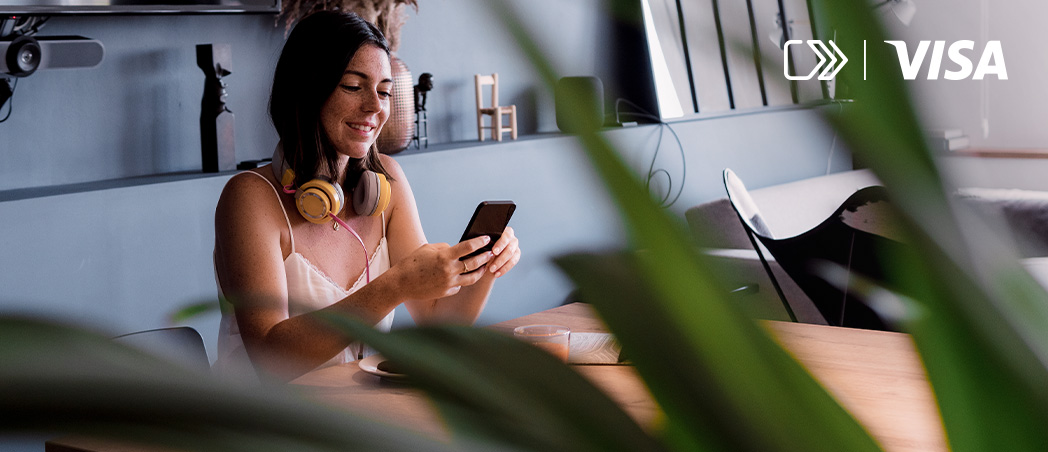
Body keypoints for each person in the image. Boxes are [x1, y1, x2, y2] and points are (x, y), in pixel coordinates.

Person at [212, 11, 520, 383]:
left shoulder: (386, 183)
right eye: (354, 87)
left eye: (385, 91)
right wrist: (394, 285)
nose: (375, 107)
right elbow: (269, 356)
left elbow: (439, 317)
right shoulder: (249, 197)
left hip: (358, 416)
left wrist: (483, 265)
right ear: (309, 90)